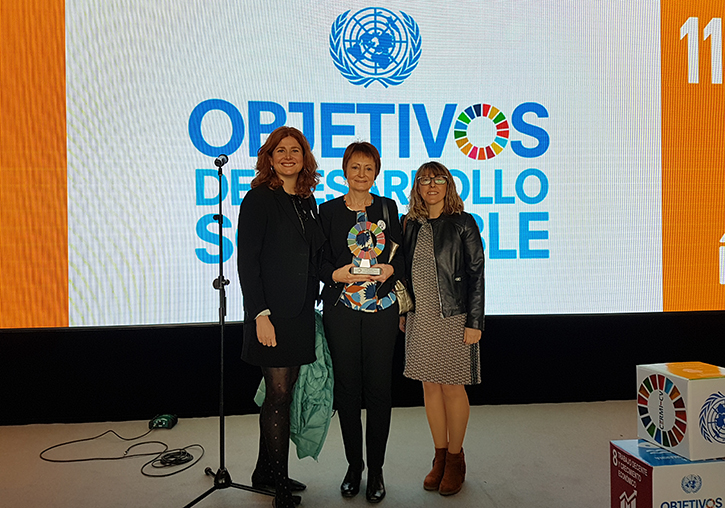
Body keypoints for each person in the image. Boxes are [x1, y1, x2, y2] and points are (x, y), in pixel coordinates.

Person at [237, 126, 325, 508]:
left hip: (301, 314)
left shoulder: (308, 201)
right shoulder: (258, 200)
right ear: (269, 158)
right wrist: (259, 313)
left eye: (295, 150)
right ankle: (280, 489)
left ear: (304, 158)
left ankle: (266, 472)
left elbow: (315, 255)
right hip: (270, 315)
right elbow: (247, 262)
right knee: (277, 395)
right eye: (280, 151)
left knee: (283, 396)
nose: (288, 156)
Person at [319, 142, 403, 503]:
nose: (361, 174)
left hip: (381, 309)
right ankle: (355, 467)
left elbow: (401, 254)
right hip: (342, 310)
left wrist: (390, 268)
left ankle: (377, 470)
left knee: (380, 392)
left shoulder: (388, 207)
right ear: (344, 171)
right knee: (348, 392)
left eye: (369, 168)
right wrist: (336, 274)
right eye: (355, 167)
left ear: (376, 173)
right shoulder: (327, 212)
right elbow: (318, 263)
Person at [400, 161, 484, 496]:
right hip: (421, 318)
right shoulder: (410, 225)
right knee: (429, 388)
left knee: (452, 388)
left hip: (453, 317)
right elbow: (406, 274)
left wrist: (474, 322)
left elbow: (476, 275)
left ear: (448, 185)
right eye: (424, 180)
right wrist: (404, 313)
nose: (431, 185)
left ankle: (455, 458)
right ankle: (438, 457)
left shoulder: (463, 223)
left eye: (438, 180)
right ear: (417, 187)